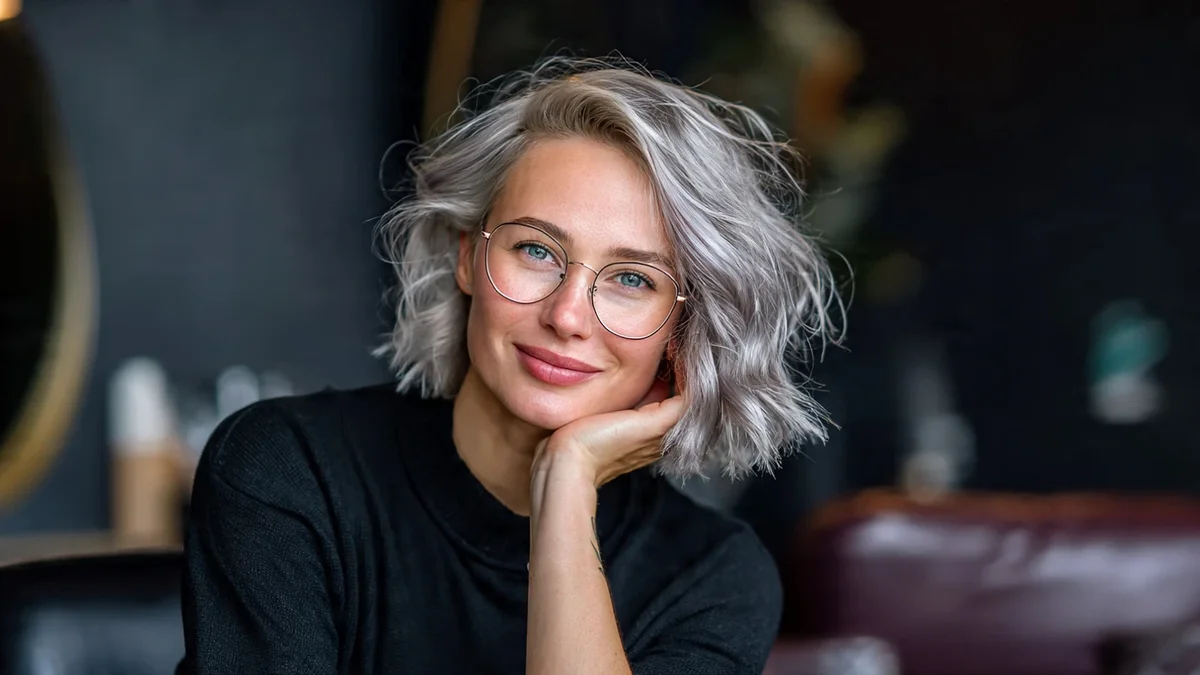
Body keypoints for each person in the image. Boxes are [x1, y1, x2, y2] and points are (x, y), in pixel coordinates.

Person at [176, 56, 839, 675]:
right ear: (468, 256)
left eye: (633, 280)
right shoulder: (288, 470)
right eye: (536, 250)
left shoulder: (712, 574)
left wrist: (566, 481)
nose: (568, 315)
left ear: (683, 326)